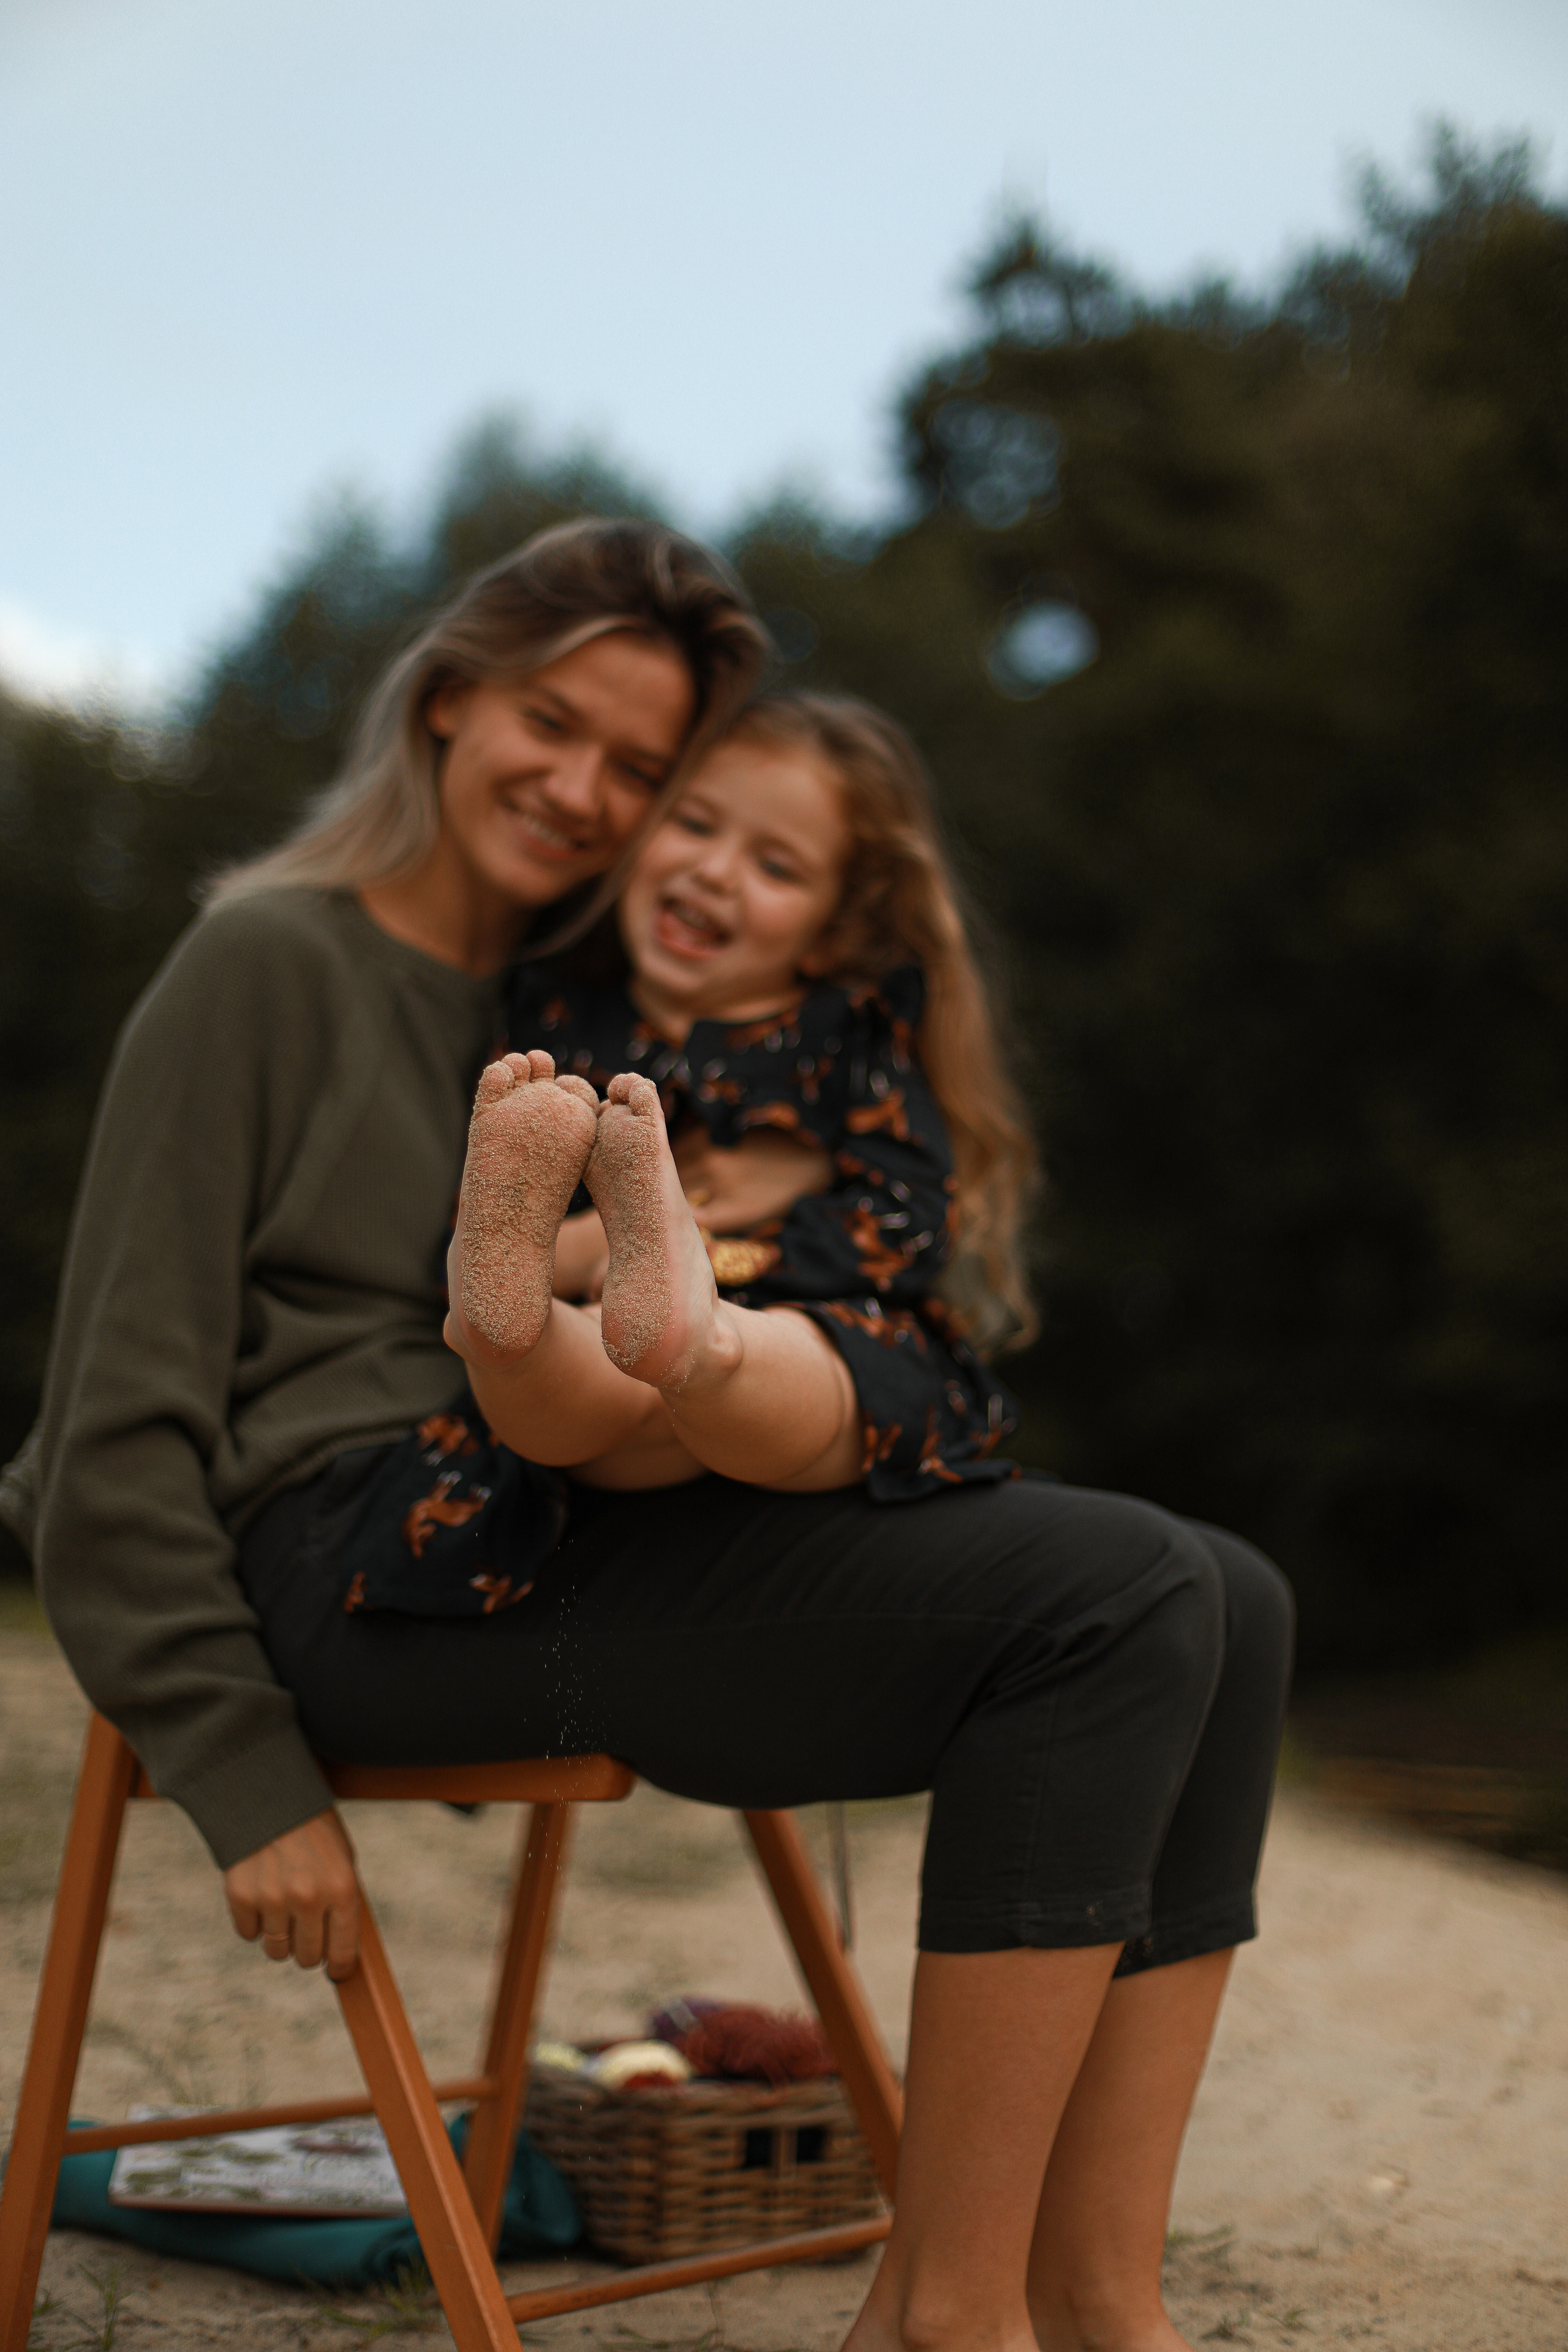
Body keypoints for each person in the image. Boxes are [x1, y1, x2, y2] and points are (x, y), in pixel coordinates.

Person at [10, 514, 1294, 2352]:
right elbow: (105, 1434)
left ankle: (1092, 2295)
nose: (586, 791)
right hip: (355, 1567)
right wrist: (239, 1771)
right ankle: (943, 2318)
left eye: (640, 767)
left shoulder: (599, 1001)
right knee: (1123, 1592)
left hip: (573, 1511)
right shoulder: (265, 967)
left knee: (1234, 1596)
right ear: (450, 700)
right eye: (554, 724)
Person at [442, 689, 1030, 1502]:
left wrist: (710, 1253)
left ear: (834, 930)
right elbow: (483, 1200)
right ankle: (509, 1335)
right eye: (694, 824)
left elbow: (907, 1222)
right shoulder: (557, 1018)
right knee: (599, 1373)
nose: (714, 871)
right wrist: (579, 1254)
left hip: (791, 1336)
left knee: (785, 1359)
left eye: (776, 866)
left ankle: (690, 1333)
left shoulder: (845, 1038)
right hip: (605, 1354)